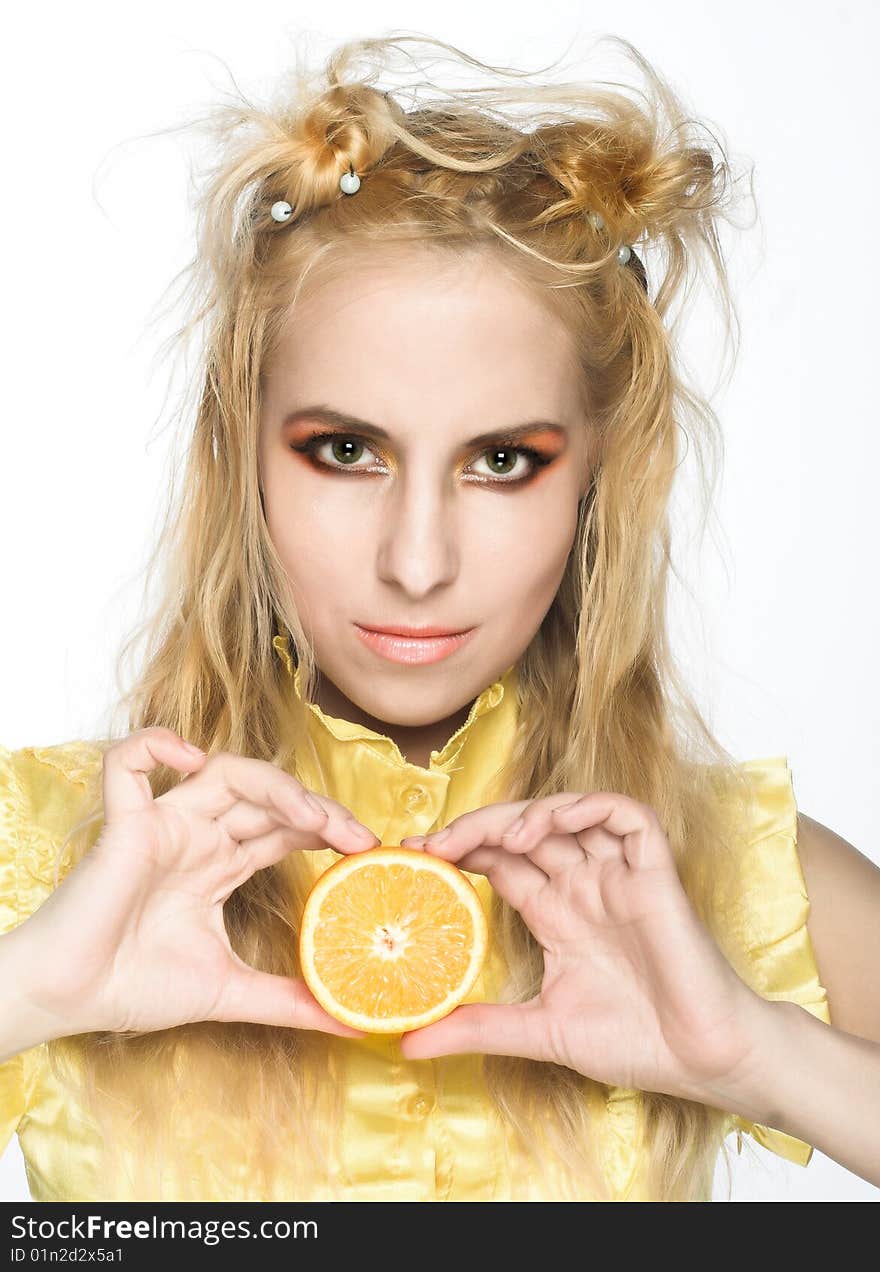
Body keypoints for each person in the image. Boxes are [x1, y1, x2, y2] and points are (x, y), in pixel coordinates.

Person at [0, 31, 878, 1204]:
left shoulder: (740, 874)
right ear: (244, 456)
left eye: (503, 459)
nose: (417, 563)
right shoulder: (46, 861)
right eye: (345, 452)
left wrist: (752, 1056)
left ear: (596, 480)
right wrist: (31, 994)